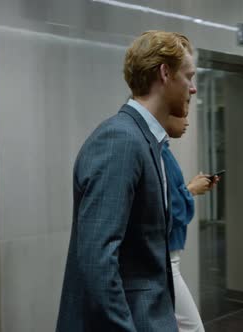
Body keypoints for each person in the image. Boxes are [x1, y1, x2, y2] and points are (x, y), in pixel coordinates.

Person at [56, 30, 197, 332]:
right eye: (189, 76)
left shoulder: (146, 140)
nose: (193, 88)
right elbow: (98, 261)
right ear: (165, 73)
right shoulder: (120, 140)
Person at [162, 110, 218, 332]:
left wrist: (189, 189)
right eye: (181, 113)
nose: (187, 122)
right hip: (166, 256)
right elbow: (170, 208)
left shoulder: (163, 150)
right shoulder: (158, 152)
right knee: (192, 328)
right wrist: (191, 190)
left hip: (168, 253)